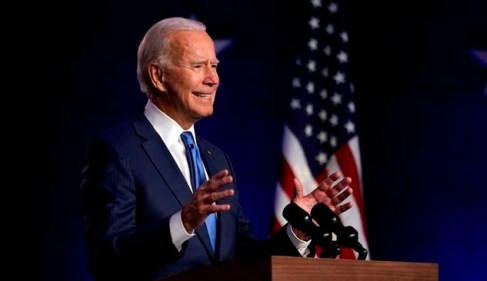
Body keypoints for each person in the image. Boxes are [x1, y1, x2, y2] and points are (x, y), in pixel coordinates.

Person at [80, 16, 354, 281]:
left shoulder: (215, 158)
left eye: (215, 66)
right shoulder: (117, 150)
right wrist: (182, 224)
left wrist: (300, 230)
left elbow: (244, 257)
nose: (213, 79)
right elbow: (107, 261)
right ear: (158, 76)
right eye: (198, 66)